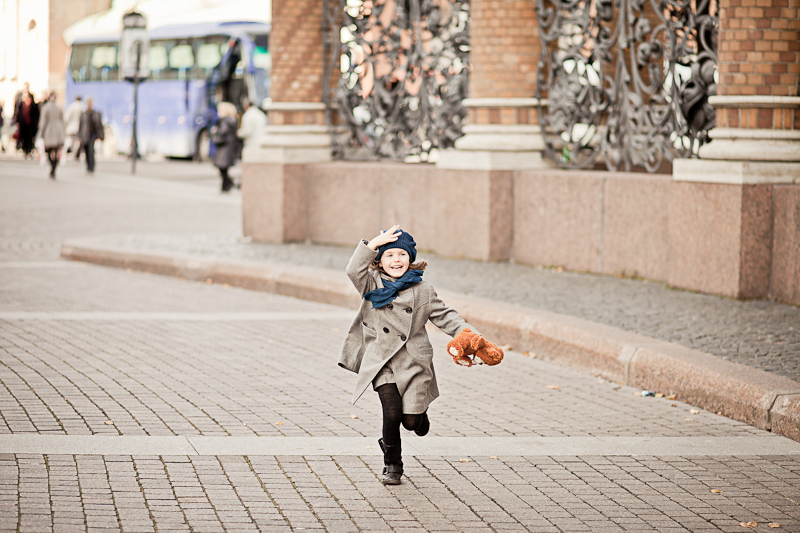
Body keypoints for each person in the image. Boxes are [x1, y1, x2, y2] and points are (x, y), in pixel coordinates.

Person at [339, 226, 502, 485]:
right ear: (379, 261)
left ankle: (419, 416)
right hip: (382, 360)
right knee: (392, 412)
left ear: (410, 258)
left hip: (414, 361)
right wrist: (373, 244)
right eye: (389, 255)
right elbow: (353, 270)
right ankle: (393, 464)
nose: (396, 260)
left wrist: (471, 337)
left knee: (411, 422)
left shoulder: (423, 289)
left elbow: (445, 315)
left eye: (401, 254)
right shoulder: (371, 283)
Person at [210, 101, 239, 192]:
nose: (219, 113)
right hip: (228, 148)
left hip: (224, 148)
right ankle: (227, 185)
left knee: (222, 169)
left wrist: (214, 132)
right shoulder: (231, 120)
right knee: (224, 169)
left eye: (220, 110)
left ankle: (228, 184)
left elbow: (222, 133)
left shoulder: (225, 121)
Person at [38, 93, 67, 179]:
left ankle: (52, 167)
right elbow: (62, 121)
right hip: (58, 131)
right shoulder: (58, 107)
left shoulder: (45, 108)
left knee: (48, 150)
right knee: (57, 151)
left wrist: (41, 133)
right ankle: (54, 167)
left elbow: (43, 122)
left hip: (49, 130)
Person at [78, 98, 104, 173]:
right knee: (86, 151)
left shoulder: (96, 114)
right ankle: (88, 166)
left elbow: (99, 125)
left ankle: (91, 167)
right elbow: (80, 126)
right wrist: (79, 136)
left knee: (91, 150)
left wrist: (100, 135)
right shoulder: (83, 114)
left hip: (93, 135)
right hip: (85, 135)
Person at [13, 85, 39, 158]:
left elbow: (36, 115)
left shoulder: (33, 105)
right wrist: (17, 122)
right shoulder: (21, 104)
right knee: (24, 137)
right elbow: (18, 113)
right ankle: (25, 149)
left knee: (30, 137)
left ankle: (29, 149)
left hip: (30, 124)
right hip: (23, 124)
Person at [64, 95, 84, 160]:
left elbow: (67, 117)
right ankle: (76, 152)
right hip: (79, 128)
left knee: (72, 141)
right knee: (77, 141)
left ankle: (73, 152)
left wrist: (65, 125)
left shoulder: (72, 106)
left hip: (72, 127)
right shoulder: (83, 107)